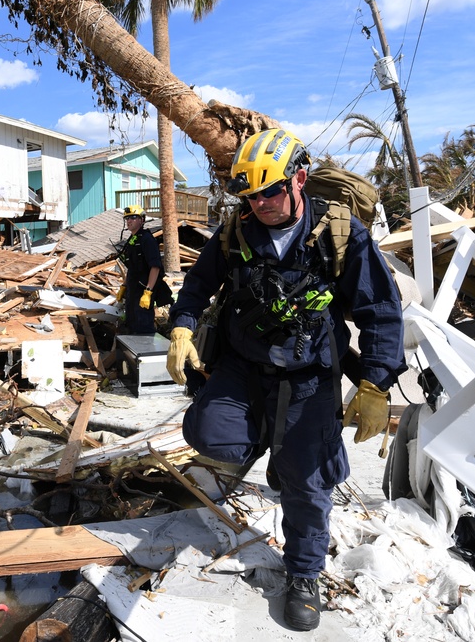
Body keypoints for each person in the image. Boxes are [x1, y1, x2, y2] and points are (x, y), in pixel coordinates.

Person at [165, 128, 406, 631]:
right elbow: (197, 285)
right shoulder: (237, 231)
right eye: (250, 196)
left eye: (270, 192)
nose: (261, 205)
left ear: (298, 179)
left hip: (310, 376)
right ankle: (272, 448)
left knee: (307, 480)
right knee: (207, 432)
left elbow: (380, 311)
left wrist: (376, 382)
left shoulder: (341, 234)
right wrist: (183, 328)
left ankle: (303, 573)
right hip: (244, 366)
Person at [116, 204, 163, 334]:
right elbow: (131, 267)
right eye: (127, 218)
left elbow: (155, 267)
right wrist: (124, 286)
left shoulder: (147, 240)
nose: (129, 221)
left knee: (143, 327)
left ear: (141, 220)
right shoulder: (132, 239)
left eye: (133, 218)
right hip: (132, 290)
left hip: (143, 292)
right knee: (131, 324)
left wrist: (148, 292)